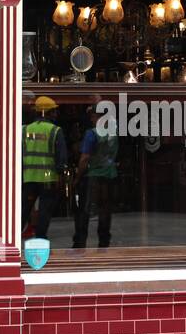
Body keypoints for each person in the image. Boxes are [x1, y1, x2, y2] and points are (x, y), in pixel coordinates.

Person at [22, 95, 67, 240]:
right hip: (48, 179)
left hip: (28, 177)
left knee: (24, 209)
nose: (55, 114)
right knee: (44, 211)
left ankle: (14, 237)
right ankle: (40, 238)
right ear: (46, 112)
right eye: (53, 111)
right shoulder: (55, 130)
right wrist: (61, 175)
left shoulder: (25, 130)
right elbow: (61, 157)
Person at [72, 106, 118, 248]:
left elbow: (85, 158)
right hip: (110, 175)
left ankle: (80, 242)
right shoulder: (113, 134)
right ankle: (104, 241)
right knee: (105, 209)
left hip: (93, 176)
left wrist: (77, 177)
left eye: (93, 116)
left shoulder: (91, 133)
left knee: (84, 210)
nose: (91, 119)